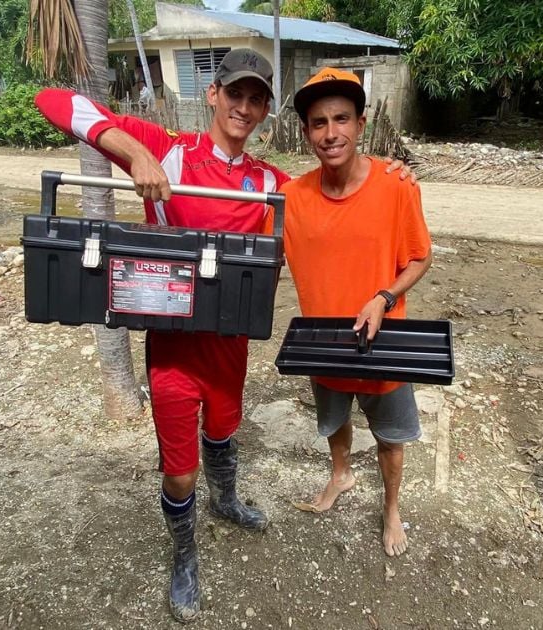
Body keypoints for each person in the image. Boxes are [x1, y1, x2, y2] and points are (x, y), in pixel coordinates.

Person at [32, 49, 413, 622]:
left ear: (264, 111)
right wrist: (136, 155)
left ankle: (227, 499)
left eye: (256, 99)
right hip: (174, 350)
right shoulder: (171, 151)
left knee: (224, 430)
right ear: (213, 94)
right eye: (234, 93)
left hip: (231, 348)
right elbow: (56, 102)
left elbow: (337, 191)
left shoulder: (269, 183)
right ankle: (184, 555)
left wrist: (390, 172)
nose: (244, 106)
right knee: (179, 468)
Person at [273, 68, 433, 558]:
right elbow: (250, 248)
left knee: (390, 437)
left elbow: (420, 257)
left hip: (384, 342)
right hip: (323, 341)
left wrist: (383, 298)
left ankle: (390, 509)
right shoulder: (290, 198)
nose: (331, 132)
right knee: (334, 420)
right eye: (318, 123)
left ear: (361, 124)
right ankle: (340, 475)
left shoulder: (395, 186)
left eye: (341, 119)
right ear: (306, 133)